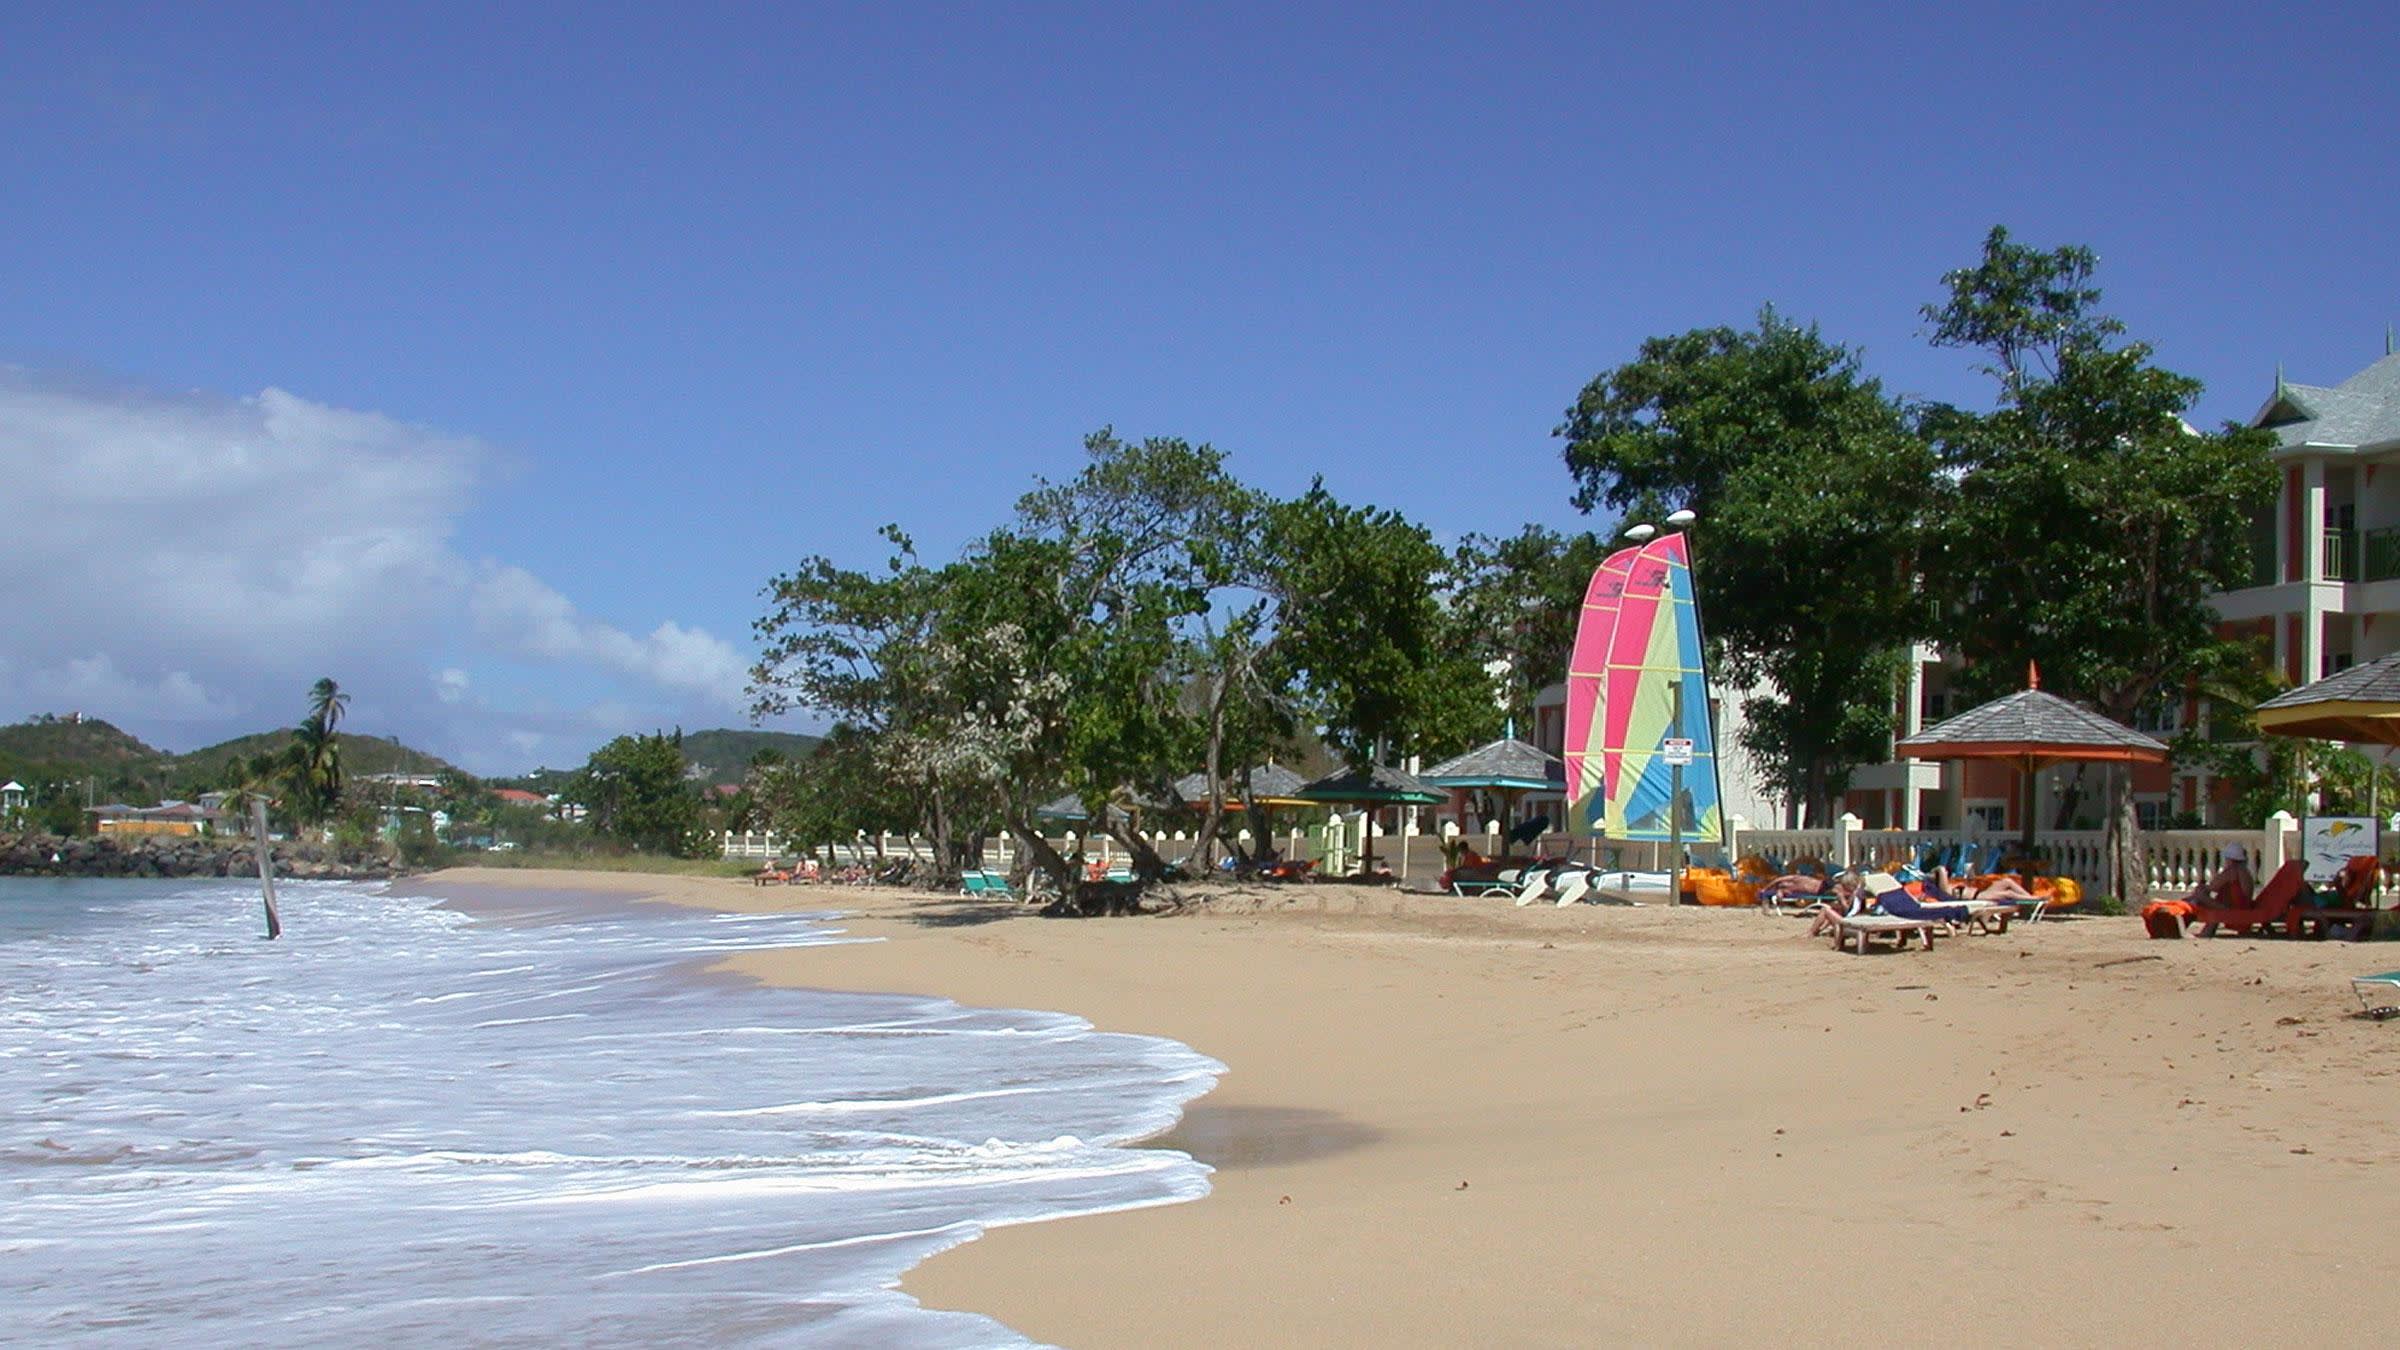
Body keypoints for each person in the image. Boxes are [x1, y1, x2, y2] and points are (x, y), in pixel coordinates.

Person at [2182, 842, 2256, 910]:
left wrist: (2201, 889)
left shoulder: (2232, 870)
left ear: (2229, 859)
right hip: (2243, 906)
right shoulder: (2244, 871)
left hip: (2234, 908)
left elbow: (2213, 886)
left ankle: (2191, 902)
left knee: (2200, 892)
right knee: (2216, 893)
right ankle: (2193, 902)